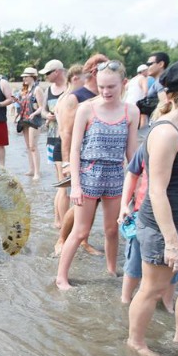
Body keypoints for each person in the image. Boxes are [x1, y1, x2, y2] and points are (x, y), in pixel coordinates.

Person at [56, 60, 139, 290]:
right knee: (81, 230)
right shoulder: (87, 109)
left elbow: (132, 152)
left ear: (123, 83)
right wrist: (76, 185)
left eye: (111, 86)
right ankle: (61, 277)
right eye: (102, 86)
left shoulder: (131, 111)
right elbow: (74, 148)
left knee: (112, 229)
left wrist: (140, 184)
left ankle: (111, 270)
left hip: (115, 174)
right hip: (89, 173)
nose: (105, 91)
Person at [127, 60, 178, 356]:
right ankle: (135, 343)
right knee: (153, 287)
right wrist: (173, 243)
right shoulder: (166, 133)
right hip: (164, 225)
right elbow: (156, 190)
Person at [55, 55, 110, 256]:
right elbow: (66, 133)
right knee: (81, 202)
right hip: (81, 158)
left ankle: (83, 241)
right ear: (94, 70)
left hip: (102, 158)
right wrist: (68, 163)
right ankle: (61, 239)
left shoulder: (107, 95)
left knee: (94, 202)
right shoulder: (76, 97)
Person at [118, 145, 178, 308]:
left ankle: (168, 303)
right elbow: (132, 174)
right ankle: (125, 300)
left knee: (175, 265)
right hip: (145, 217)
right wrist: (124, 205)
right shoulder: (151, 143)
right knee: (134, 263)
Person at [39, 60, 68, 227]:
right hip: (52, 137)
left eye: (48, 73)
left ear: (57, 72)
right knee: (61, 183)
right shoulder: (48, 90)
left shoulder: (70, 89)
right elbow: (43, 110)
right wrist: (47, 115)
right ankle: (59, 221)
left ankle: (58, 220)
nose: (46, 76)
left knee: (62, 183)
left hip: (65, 138)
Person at [17, 67, 45, 180]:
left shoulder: (37, 89)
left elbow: (42, 106)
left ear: (32, 77)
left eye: (26, 76)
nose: (24, 78)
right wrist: (16, 101)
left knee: (33, 146)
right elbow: (23, 104)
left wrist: (34, 114)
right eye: (23, 76)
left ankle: (37, 172)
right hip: (24, 120)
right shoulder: (24, 90)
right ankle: (31, 169)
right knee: (28, 147)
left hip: (34, 120)